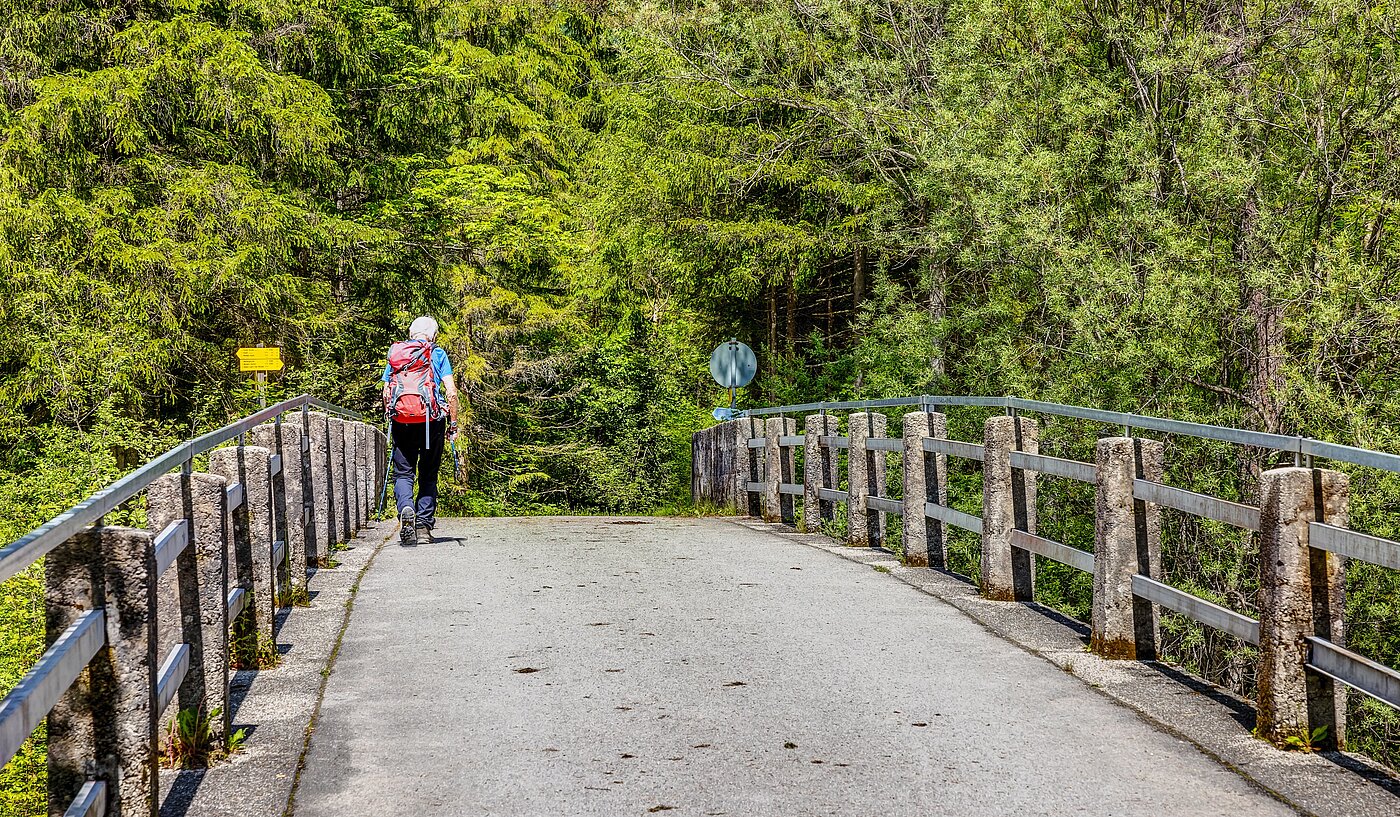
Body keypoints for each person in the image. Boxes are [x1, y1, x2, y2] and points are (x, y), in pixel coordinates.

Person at [382, 316, 458, 544]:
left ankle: (406, 508)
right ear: (433, 335)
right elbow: (451, 392)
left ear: (411, 333)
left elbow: (387, 391)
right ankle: (423, 527)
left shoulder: (397, 353)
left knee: (404, 472)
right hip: (431, 421)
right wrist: (453, 425)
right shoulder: (438, 354)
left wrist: (392, 415)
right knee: (428, 473)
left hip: (402, 420)